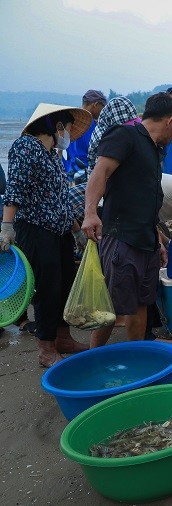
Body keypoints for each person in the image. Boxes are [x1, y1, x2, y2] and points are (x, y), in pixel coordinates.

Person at [82, 92, 172, 347]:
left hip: (146, 240)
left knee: (141, 303)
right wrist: (91, 212)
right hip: (122, 238)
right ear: (170, 121)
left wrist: (157, 240)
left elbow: (146, 198)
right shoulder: (125, 135)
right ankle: (94, 359)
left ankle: (137, 358)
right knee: (112, 308)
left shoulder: (154, 149)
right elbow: (100, 172)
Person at [2, 104, 92, 366]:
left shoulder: (52, 154)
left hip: (60, 230)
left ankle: (63, 338)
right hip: (36, 230)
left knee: (65, 283)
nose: (69, 135)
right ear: (57, 126)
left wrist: (76, 231)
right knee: (47, 289)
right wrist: (7, 226)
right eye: (68, 128)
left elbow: (60, 199)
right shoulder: (26, 147)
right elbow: (15, 189)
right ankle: (46, 348)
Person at [64, 90, 106, 175]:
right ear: (96, 105)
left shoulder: (71, 119)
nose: (103, 111)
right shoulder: (88, 122)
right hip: (85, 170)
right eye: (102, 107)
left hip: (70, 169)